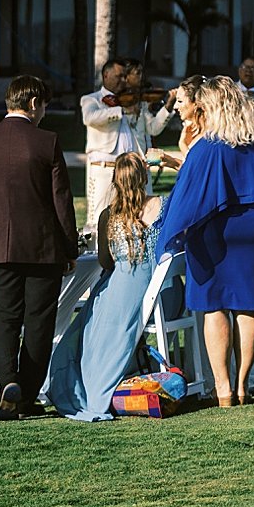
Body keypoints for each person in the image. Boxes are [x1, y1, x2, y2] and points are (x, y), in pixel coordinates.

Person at [156, 76, 254, 407]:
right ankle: (242, 384)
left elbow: (187, 194)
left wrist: (168, 230)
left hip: (215, 230)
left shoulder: (206, 148)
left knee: (214, 306)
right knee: (246, 305)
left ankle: (223, 387)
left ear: (210, 107)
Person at [0, 75, 79, 420]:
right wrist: (70, 248)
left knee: (6, 321)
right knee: (39, 322)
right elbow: (61, 200)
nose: (44, 112)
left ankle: (7, 385)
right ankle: (26, 395)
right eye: (43, 105)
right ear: (33, 103)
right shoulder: (47, 141)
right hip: (43, 246)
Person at [46, 153, 168, 421]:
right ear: (144, 178)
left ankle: (90, 388)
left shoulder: (109, 215)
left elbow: (105, 261)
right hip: (166, 293)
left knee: (86, 324)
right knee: (91, 314)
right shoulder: (164, 205)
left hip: (126, 288)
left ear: (115, 182)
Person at [81, 57, 173, 233]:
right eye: (119, 76)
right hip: (105, 169)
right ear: (106, 75)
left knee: (140, 215)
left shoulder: (135, 101)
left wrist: (167, 107)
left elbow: (153, 128)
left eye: (125, 76)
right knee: (99, 218)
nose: (124, 80)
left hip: (135, 171)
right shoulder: (91, 100)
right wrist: (120, 111)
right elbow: (89, 118)